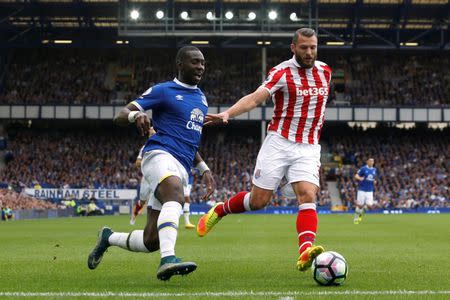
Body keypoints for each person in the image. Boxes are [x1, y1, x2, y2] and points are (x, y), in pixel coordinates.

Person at [197, 28, 332, 272]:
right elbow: (256, 98)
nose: (309, 52)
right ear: (293, 48)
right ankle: (220, 209)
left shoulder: (325, 72)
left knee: (308, 195)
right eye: (304, 47)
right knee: (258, 201)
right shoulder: (281, 71)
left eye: (313, 47)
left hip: (309, 146)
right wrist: (228, 113)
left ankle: (305, 251)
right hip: (279, 143)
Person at [87, 46, 215, 281]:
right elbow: (120, 114)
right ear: (180, 64)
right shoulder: (164, 90)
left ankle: (108, 237)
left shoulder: (202, 99)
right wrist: (137, 115)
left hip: (184, 164)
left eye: (203, 63)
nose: (200, 67)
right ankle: (168, 260)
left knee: (151, 240)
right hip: (160, 155)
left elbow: (189, 138)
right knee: (175, 196)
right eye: (195, 62)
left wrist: (203, 167)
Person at [353, 158, 377, 224]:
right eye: (371, 161)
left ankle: (360, 213)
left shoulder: (374, 170)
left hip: (370, 190)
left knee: (369, 205)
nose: (372, 162)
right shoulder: (363, 168)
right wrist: (360, 178)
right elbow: (356, 175)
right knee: (359, 205)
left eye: (373, 161)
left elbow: (374, 178)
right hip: (362, 189)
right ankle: (356, 218)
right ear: (367, 162)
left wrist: (374, 181)